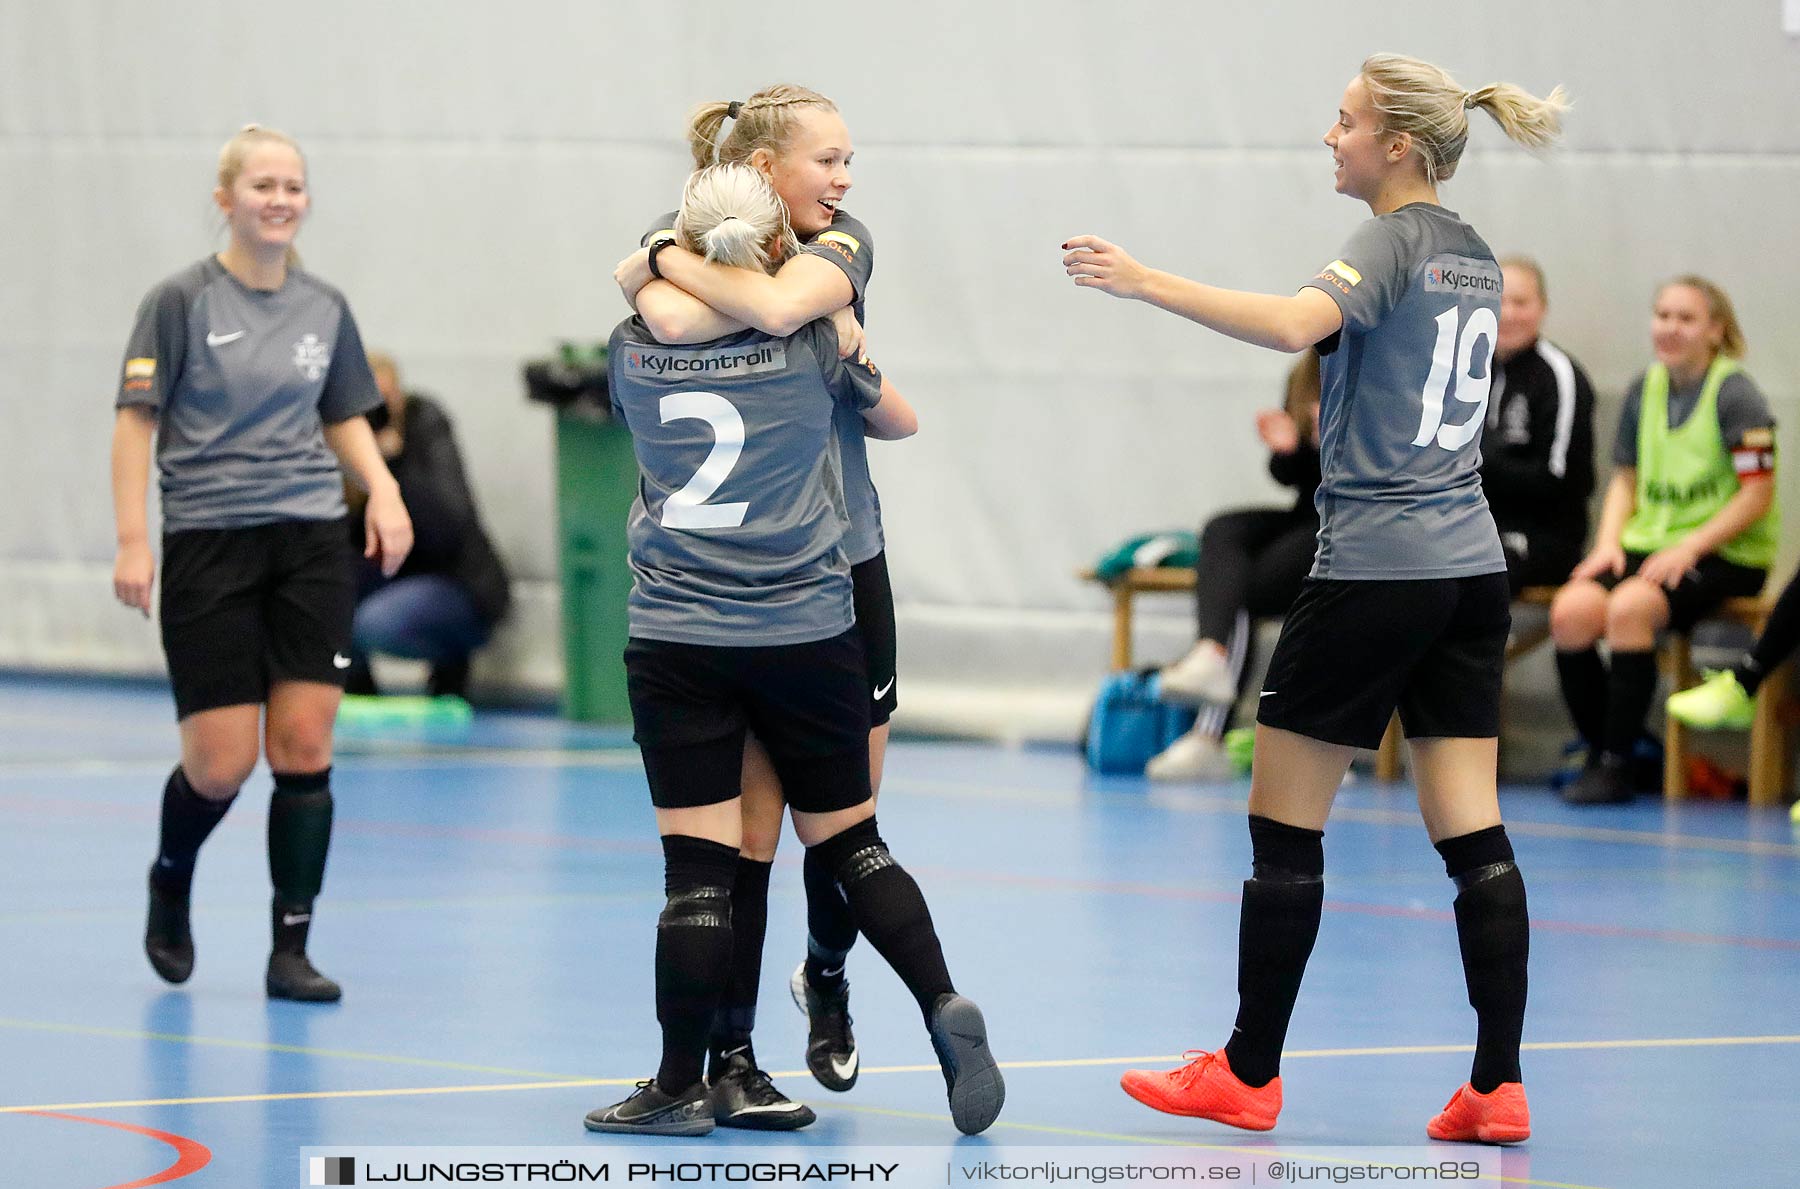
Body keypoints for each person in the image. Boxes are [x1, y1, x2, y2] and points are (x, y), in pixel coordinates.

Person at [1064, 53, 1565, 1143]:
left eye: (1343, 123)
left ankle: (1247, 1071)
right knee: (1472, 827)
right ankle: (1498, 1081)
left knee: (1283, 825)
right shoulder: (1474, 255)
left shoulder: (1389, 240)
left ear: (1397, 143)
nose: (1327, 139)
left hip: (1379, 564)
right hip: (1470, 570)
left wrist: (1146, 279)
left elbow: (1298, 326)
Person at [584, 163, 1001, 1138]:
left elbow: (665, 316)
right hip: (809, 629)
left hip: (681, 632)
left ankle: (679, 1083)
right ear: (777, 248)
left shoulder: (631, 347)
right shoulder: (816, 342)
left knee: (697, 872)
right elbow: (895, 417)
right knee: (852, 841)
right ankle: (940, 998)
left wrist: (657, 269)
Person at [613, 85, 894, 1118]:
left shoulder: (842, 242)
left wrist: (651, 262)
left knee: (852, 820)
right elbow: (682, 313)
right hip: (754, 580)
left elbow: (766, 309)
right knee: (750, 832)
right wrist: (665, 262)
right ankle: (730, 1056)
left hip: (846, 555)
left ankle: (828, 972)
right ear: (766, 171)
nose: (846, 180)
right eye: (827, 160)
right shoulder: (689, 231)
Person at [111, 125, 413, 1003]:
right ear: (226, 200)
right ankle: (171, 875)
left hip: (309, 538)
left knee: (305, 741)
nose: (279, 199)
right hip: (209, 540)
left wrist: (382, 490)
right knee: (220, 762)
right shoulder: (179, 302)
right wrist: (136, 539)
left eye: (293, 186)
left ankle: (292, 948)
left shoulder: (324, 306)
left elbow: (344, 409)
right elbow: (135, 423)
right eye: (262, 186)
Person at [1550, 277, 1774, 805]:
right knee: (1572, 611)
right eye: (1662, 315)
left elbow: (1756, 495)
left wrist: (1690, 547)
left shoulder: (1736, 393)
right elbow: (1624, 478)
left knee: (1629, 609)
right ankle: (1608, 743)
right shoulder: (1645, 387)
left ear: (1716, 330)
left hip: (1726, 552)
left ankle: (1616, 765)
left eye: (1685, 318)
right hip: (1652, 544)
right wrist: (1608, 543)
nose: (1669, 328)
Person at [1151, 352, 1322, 781]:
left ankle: (1211, 735)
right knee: (1224, 528)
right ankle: (1210, 651)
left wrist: (1326, 443)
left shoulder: (1388, 369)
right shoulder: (1306, 373)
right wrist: (1289, 450)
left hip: (1357, 516)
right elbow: (1293, 476)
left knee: (1247, 588)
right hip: (1310, 509)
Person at [342, 352, 510, 701]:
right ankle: (357, 686)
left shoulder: (424, 427)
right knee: (328, 597)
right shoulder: (341, 442)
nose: (376, 415)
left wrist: (393, 465)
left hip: (453, 580)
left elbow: (449, 528)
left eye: (384, 402)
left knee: (375, 622)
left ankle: (451, 665)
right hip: (384, 576)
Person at [1481, 257, 1596, 594]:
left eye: (1520, 303)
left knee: (1473, 578)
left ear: (1542, 308)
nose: (1508, 314)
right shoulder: (1466, 367)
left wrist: (1477, 463)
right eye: (1498, 301)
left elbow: (1560, 480)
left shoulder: (1558, 375)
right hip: (1476, 526)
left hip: (1545, 536)